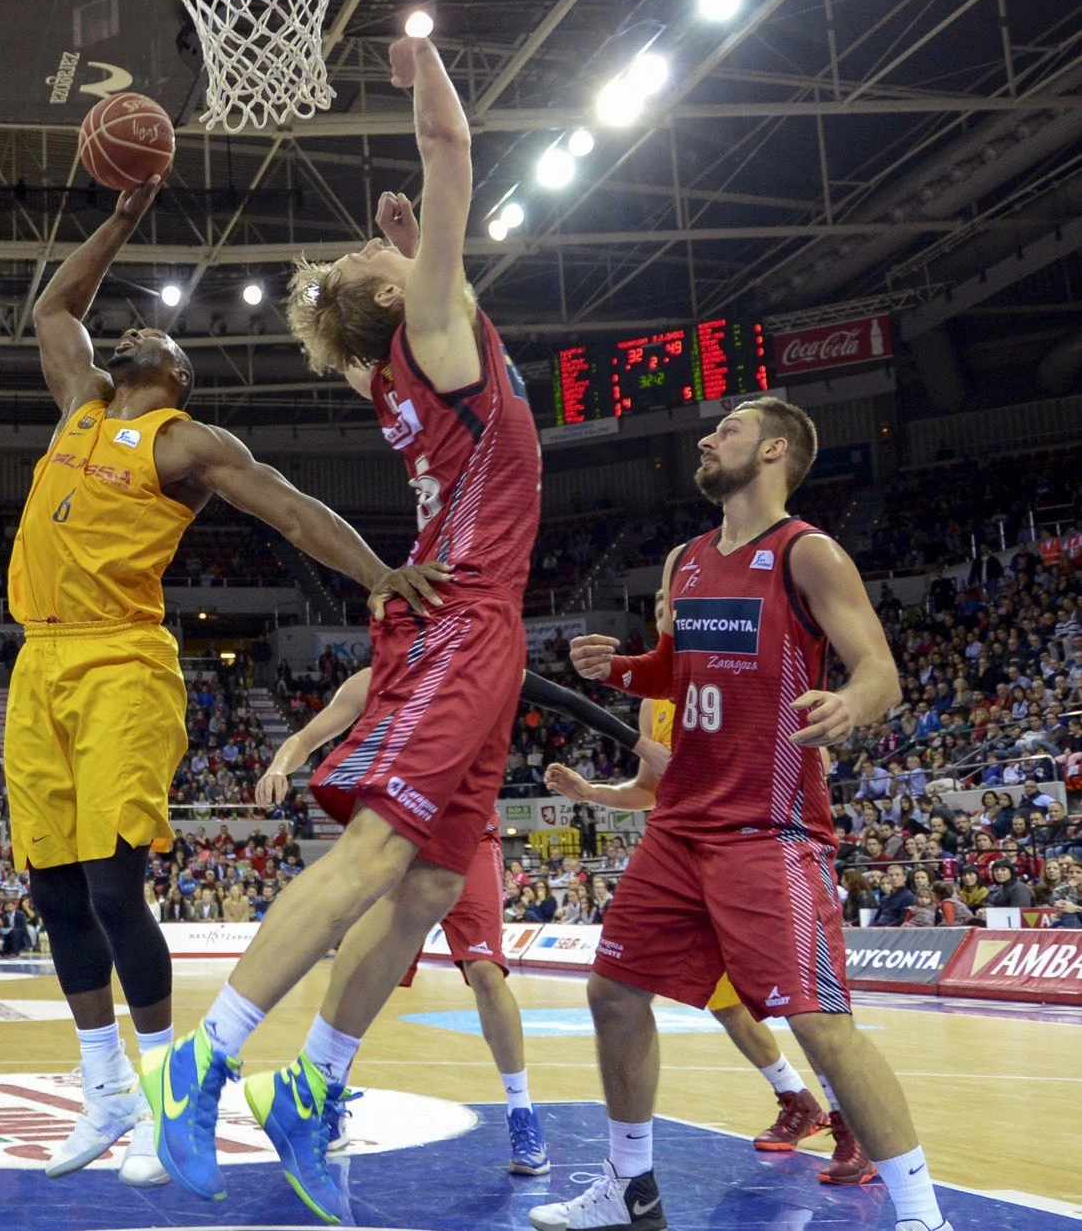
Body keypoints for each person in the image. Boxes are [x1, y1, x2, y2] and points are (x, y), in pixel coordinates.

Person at [146, 33, 540, 1222]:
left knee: (425, 888)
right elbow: (451, 146)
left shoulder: (398, 368)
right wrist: (418, 61)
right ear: (394, 299)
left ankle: (311, 1085)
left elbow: (422, 282)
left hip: (482, 622)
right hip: (462, 616)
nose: (401, 250)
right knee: (377, 858)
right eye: (390, 260)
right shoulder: (429, 338)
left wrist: (409, 251)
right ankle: (200, 1059)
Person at [9, 152, 443, 1187]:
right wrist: (122, 215)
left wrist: (379, 571)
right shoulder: (78, 402)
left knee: (115, 886)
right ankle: (104, 1084)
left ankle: (167, 1095)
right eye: (128, 334)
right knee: (54, 890)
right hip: (38, 664)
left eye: (151, 337)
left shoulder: (185, 442)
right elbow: (52, 306)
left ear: (179, 377)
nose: (129, 334)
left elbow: (290, 506)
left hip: (120, 659)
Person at [536, 398, 948, 1231]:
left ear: (773, 451)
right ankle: (631, 1184)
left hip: (768, 829)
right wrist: (618, 669)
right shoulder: (686, 560)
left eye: (725, 429)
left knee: (822, 1026)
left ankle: (922, 1216)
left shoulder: (808, 553)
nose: (705, 438)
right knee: (613, 992)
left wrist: (849, 703)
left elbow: (882, 672)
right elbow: (683, 674)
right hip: (682, 825)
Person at [257, 666, 667, 1178]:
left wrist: (638, 744)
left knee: (485, 973)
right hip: (394, 835)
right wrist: (279, 764)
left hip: (468, 834)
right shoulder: (375, 678)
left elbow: (563, 697)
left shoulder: (480, 659)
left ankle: (522, 1113)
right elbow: (309, 734)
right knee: (359, 971)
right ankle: (328, 1098)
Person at [546, 658, 867, 1176]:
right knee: (726, 1005)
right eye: (663, 614)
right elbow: (649, 790)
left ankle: (853, 1122)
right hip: (686, 862)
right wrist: (591, 793)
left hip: (759, 853)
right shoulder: (655, 703)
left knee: (798, 1001)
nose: (672, 622)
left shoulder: (748, 675)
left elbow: (812, 769)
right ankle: (797, 1100)